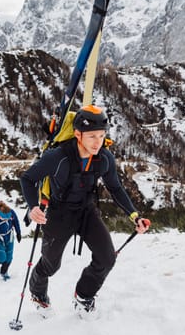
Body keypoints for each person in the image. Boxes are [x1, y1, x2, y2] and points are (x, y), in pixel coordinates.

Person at [19, 104, 150, 315]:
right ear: (78, 134)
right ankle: (38, 292)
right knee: (50, 266)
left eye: (101, 135)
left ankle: (84, 294)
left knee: (107, 257)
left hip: (86, 211)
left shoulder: (104, 158)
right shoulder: (57, 156)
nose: (98, 142)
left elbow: (115, 187)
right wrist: (34, 206)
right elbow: (27, 179)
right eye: (92, 136)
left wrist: (134, 215)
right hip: (58, 213)